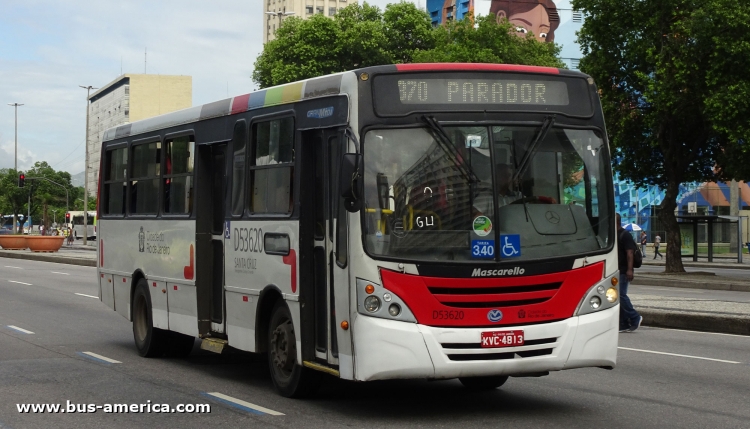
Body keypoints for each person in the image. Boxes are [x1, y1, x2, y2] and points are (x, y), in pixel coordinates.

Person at [617, 213, 642, 332]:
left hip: (623, 270)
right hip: (615, 270)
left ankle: (635, 317)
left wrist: (629, 269)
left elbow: (630, 253)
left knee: (621, 296)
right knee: (616, 297)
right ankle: (623, 323)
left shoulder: (624, 234)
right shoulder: (613, 235)